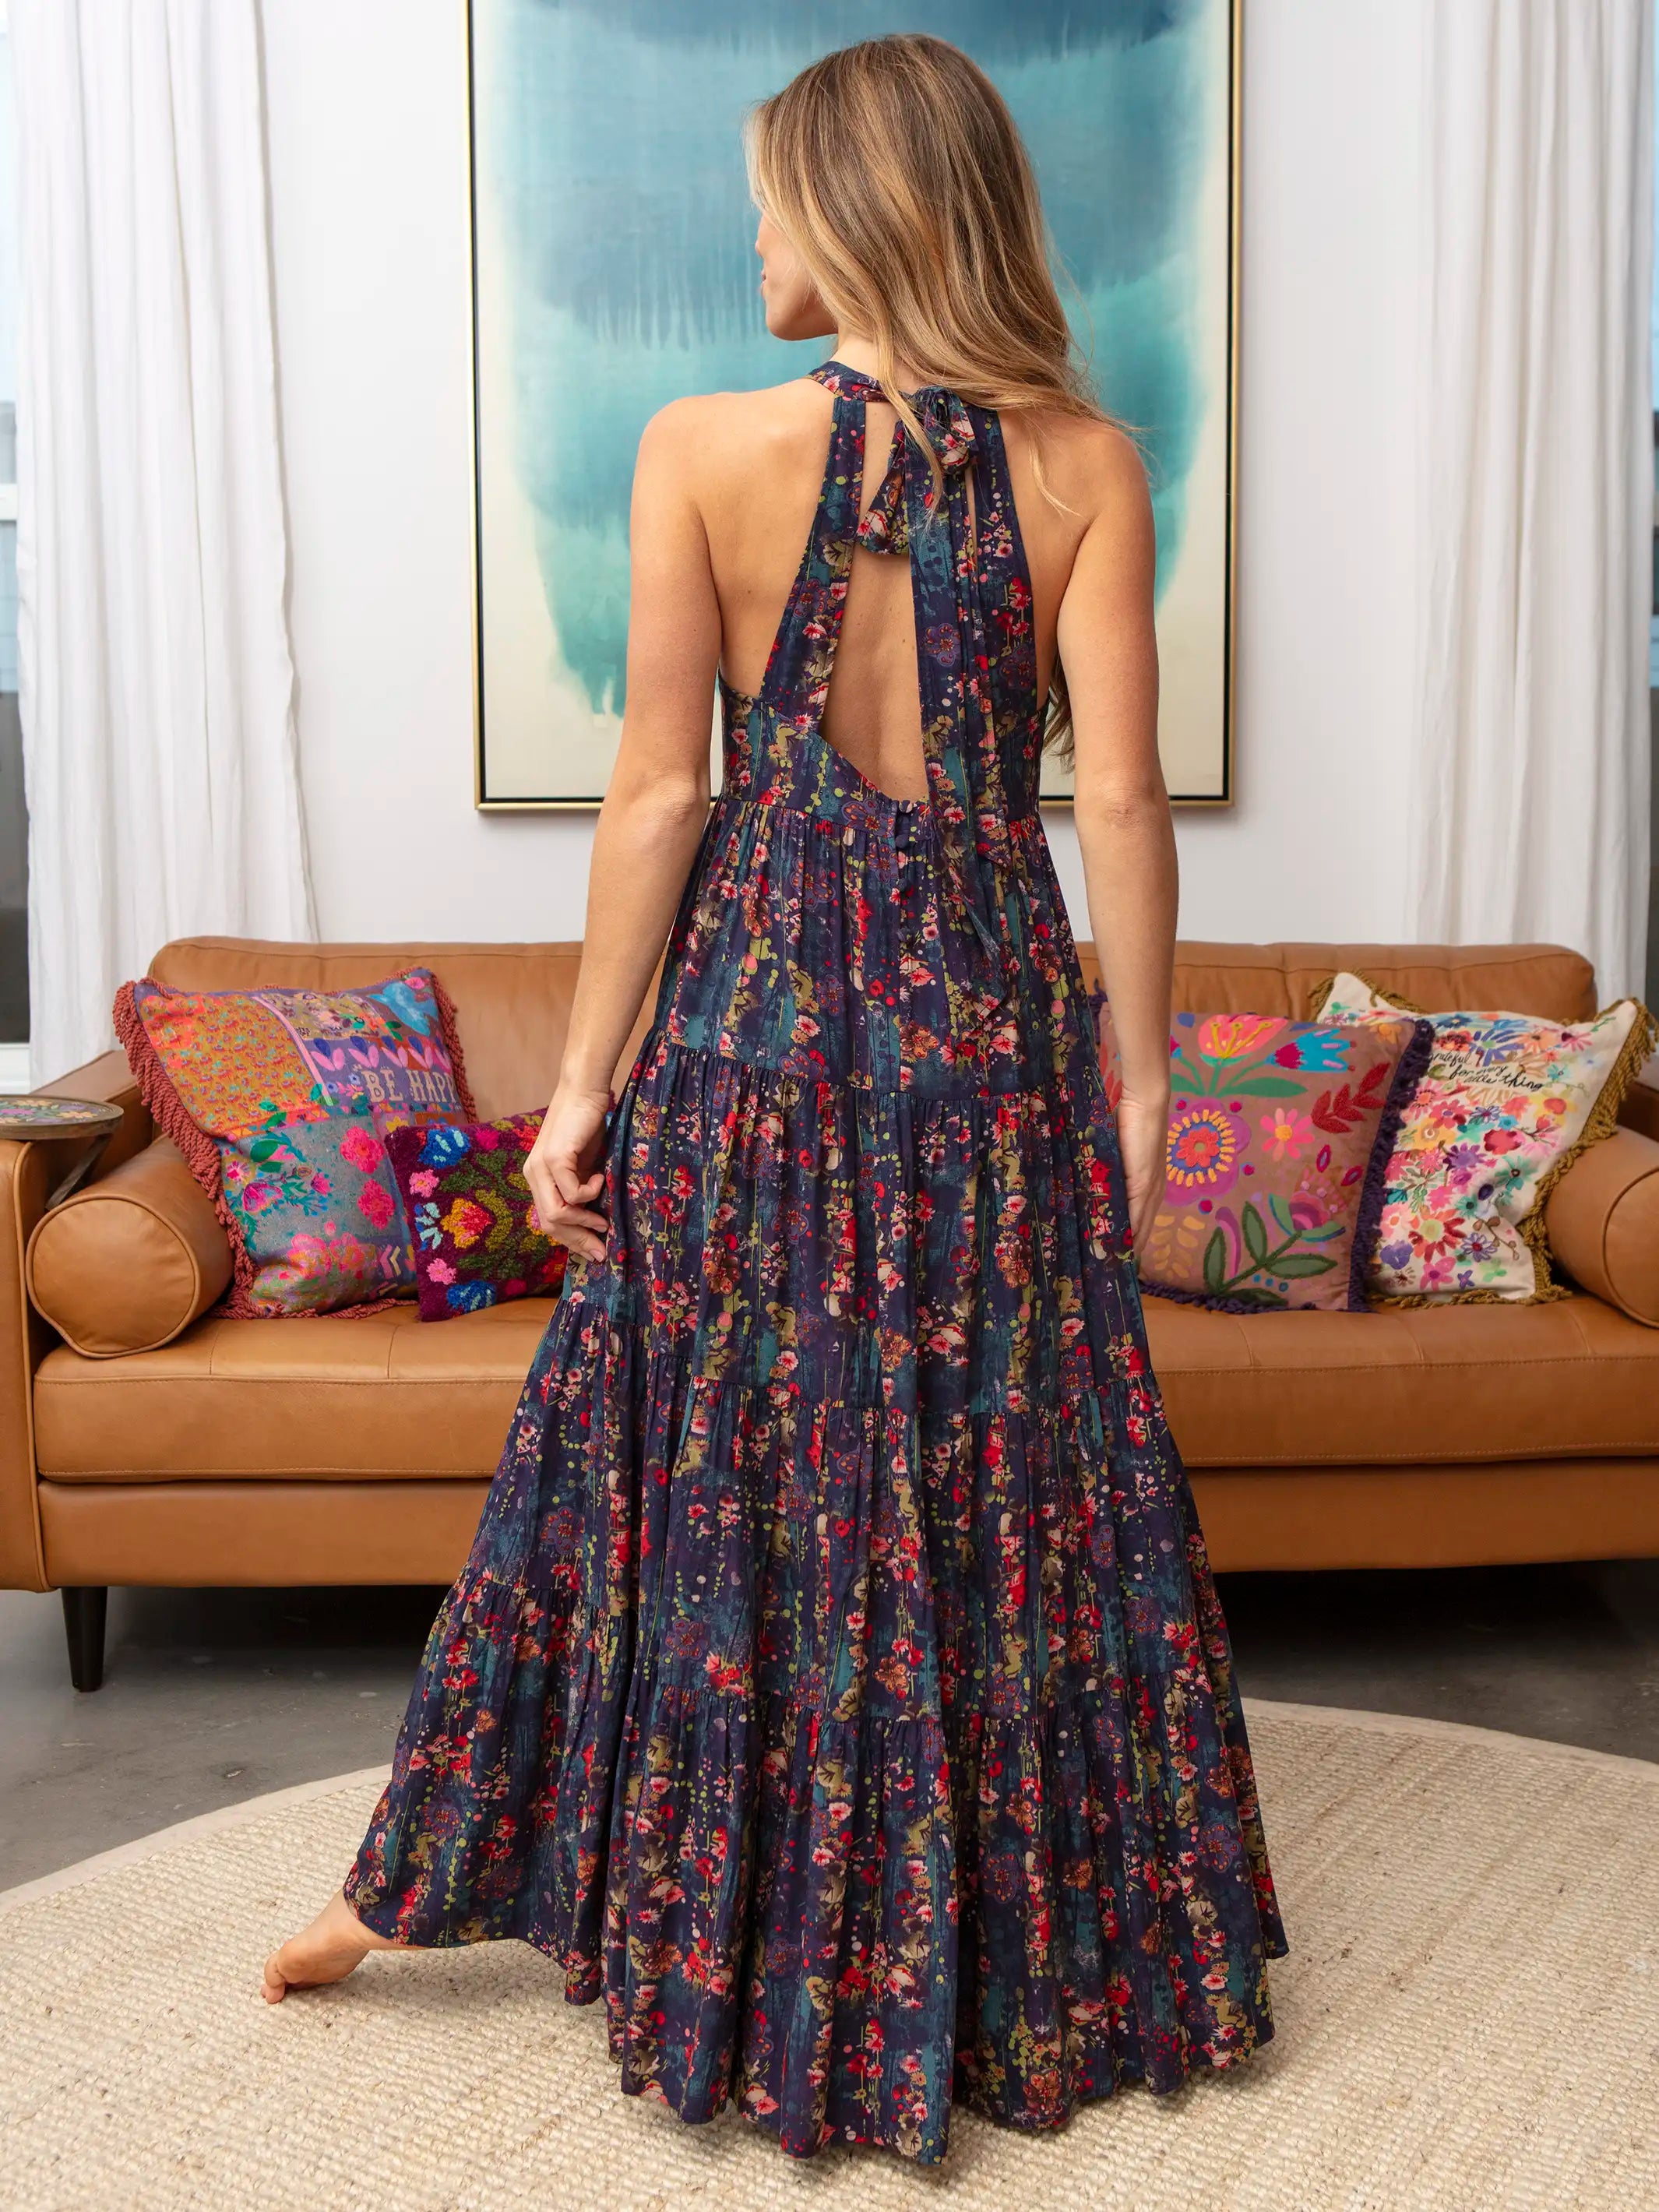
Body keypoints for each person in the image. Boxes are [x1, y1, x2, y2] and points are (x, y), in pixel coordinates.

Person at [262, 31, 1286, 2165]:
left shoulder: (700, 450)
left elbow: (661, 789)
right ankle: (1014, 1962)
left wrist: (581, 1092)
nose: (748, 238)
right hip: (992, 1039)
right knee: (1004, 1476)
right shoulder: (1088, 465)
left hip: (757, 1032)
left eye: (769, 200)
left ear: (857, 212)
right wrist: (1137, 1077)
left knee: (699, 1464)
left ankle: (534, 1901)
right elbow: (1115, 801)